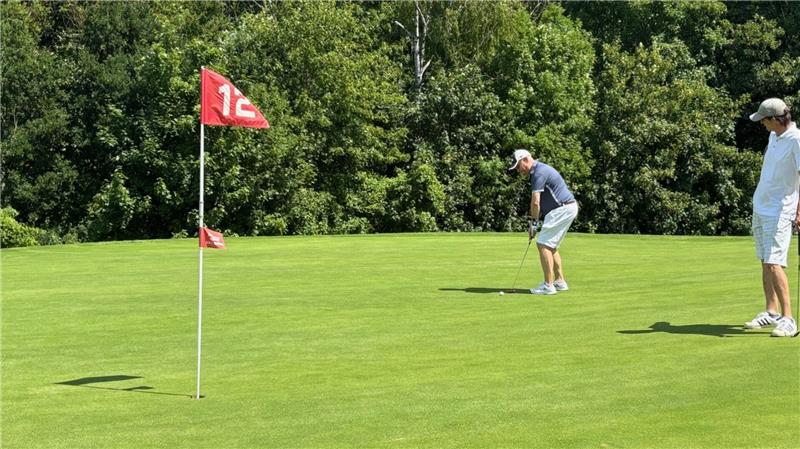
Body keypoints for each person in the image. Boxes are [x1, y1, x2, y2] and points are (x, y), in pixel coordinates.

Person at [745, 98, 800, 337]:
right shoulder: (773, 136)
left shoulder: (797, 140)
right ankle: (771, 311)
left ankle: (789, 319)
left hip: (780, 210)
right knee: (765, 260)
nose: (762, 125)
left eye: (764, 120)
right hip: (762, 206)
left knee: (774, 262)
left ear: (775, 119)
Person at [508, 149, 579, 295]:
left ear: (526, 159)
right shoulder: (539, 171)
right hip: (567, 208)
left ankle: (548, 285)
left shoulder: (538, 173)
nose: (518, 170)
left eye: (518, 166)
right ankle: (560, 282)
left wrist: (534, 224)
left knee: (543, 244)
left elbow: (535, 203)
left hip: (562, 209)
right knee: (550, 246)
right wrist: (535, 223)